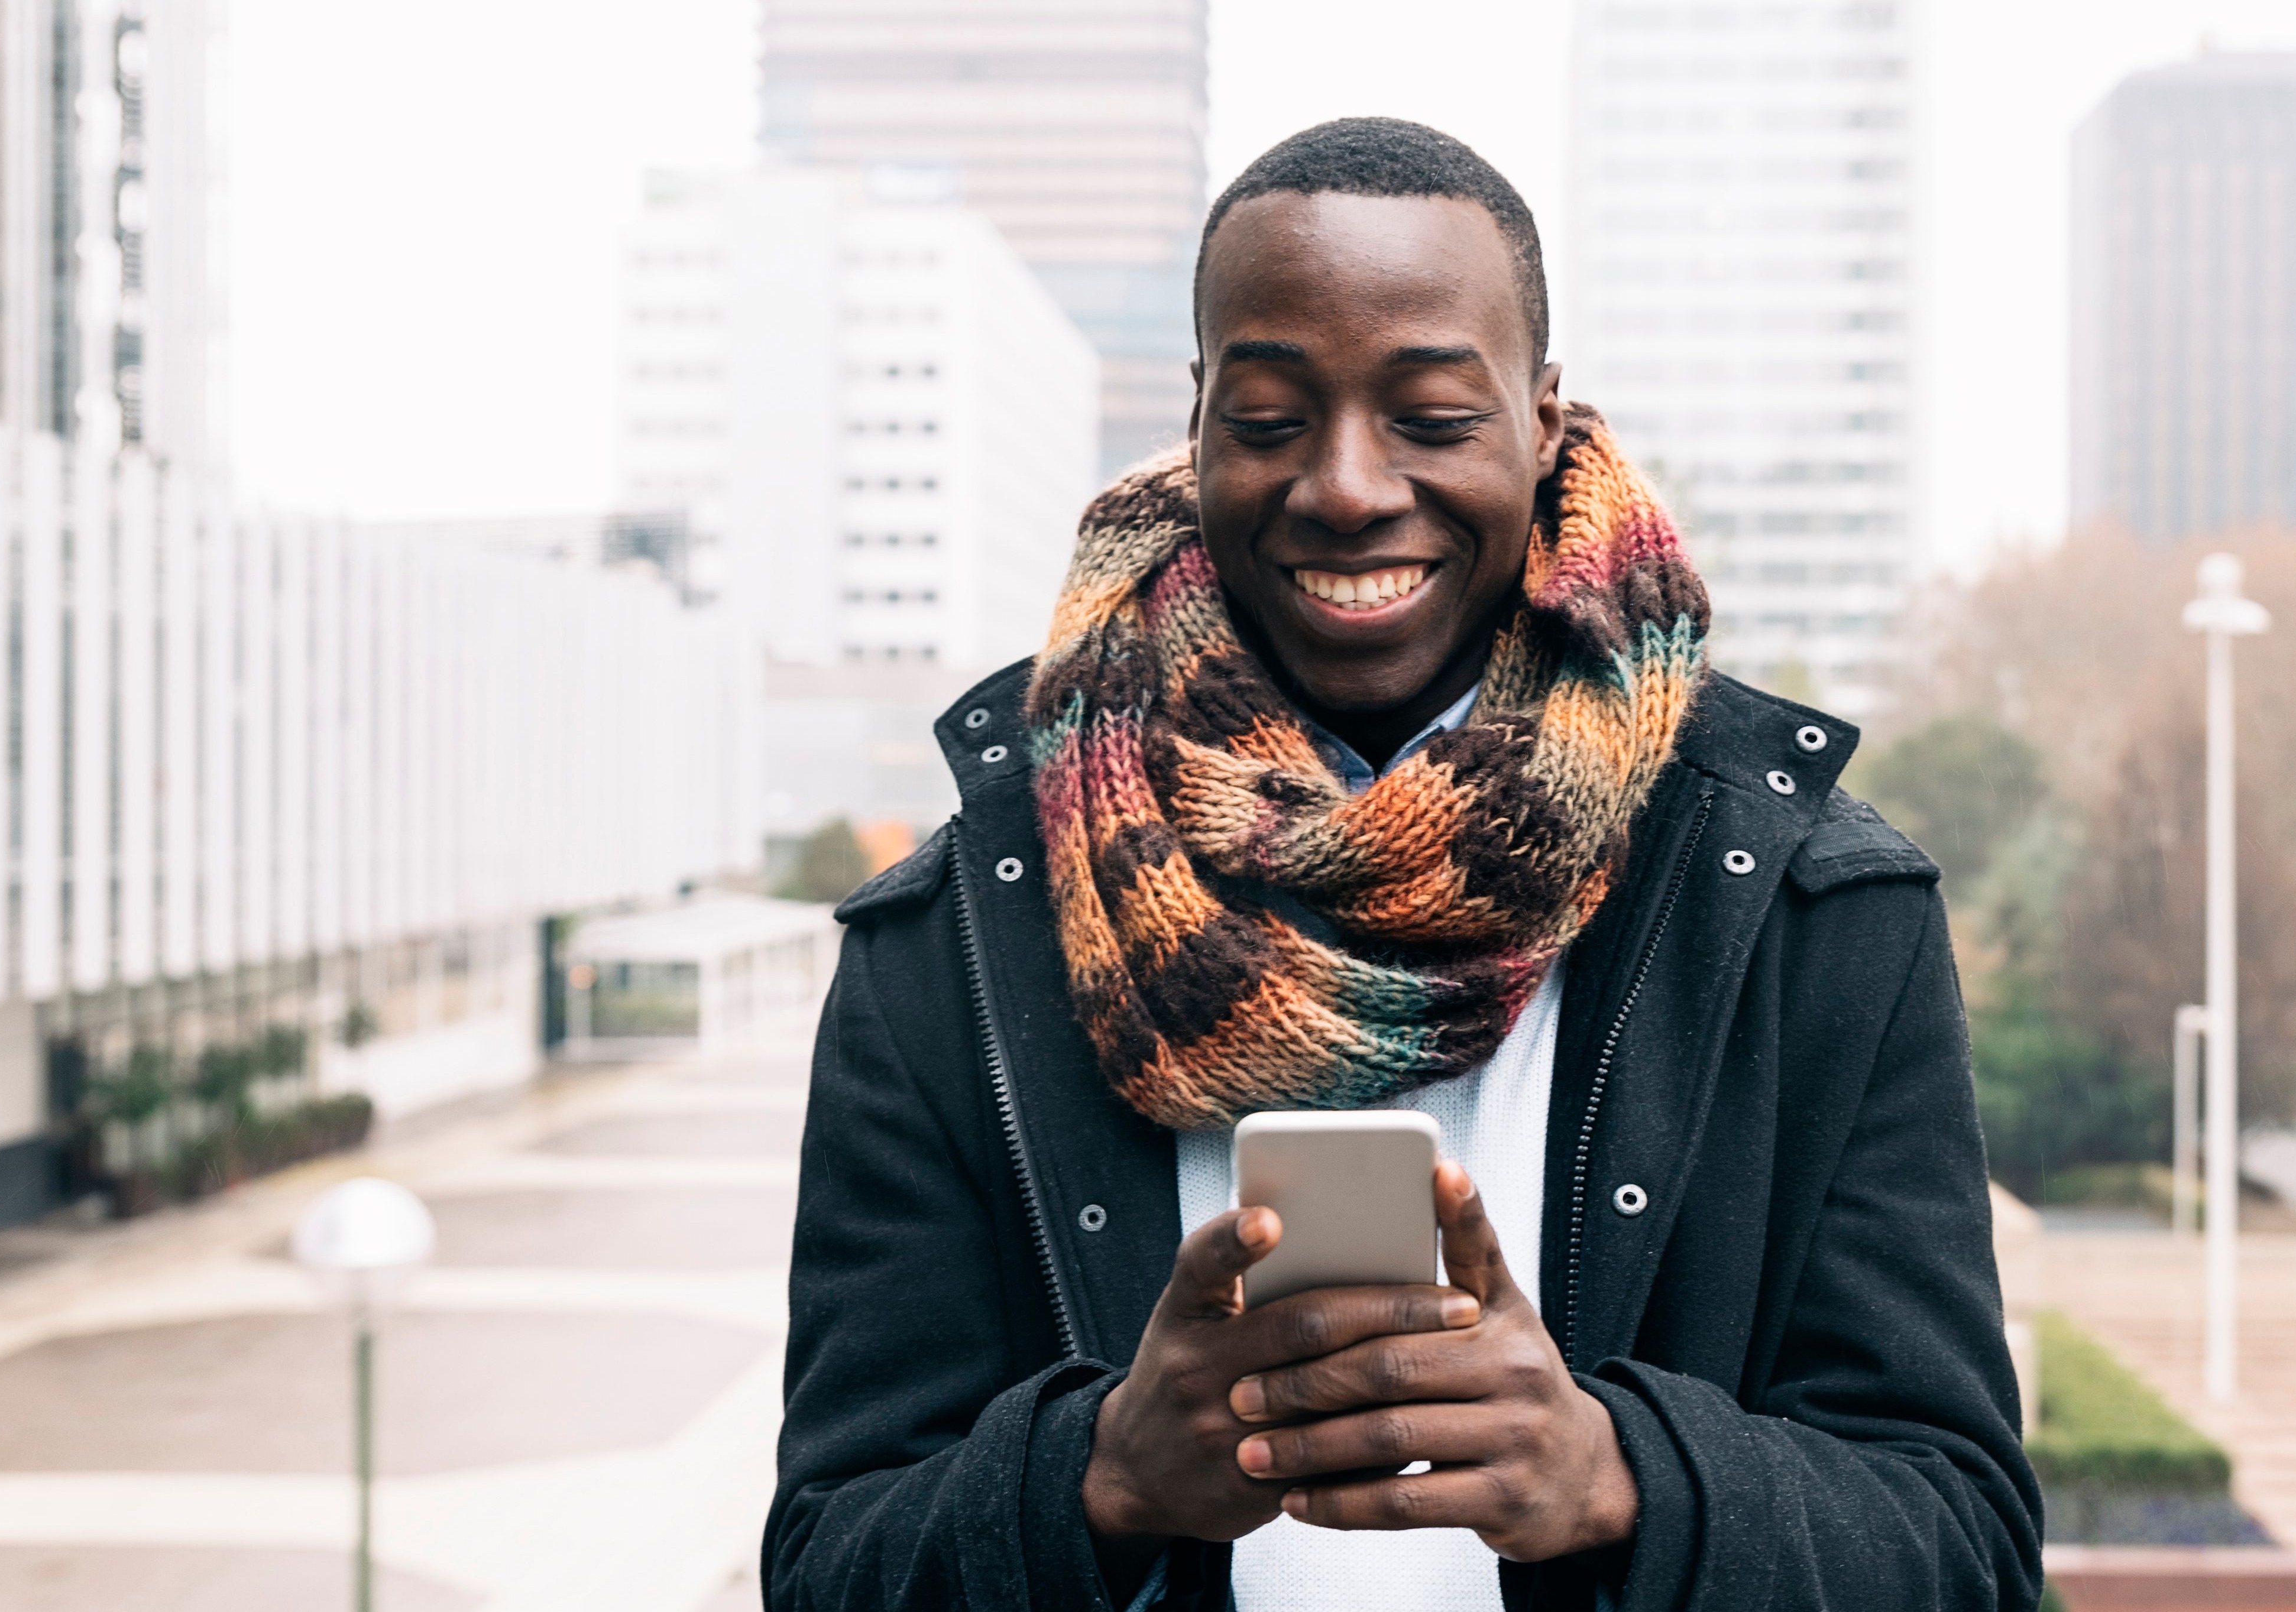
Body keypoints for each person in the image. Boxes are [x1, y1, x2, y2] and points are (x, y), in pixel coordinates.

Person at [760, 118, 2040, 1611]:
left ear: (1544, 421)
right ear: (1195, 423)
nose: (1349, 486)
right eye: (1268, 415)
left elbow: (1959, 1547)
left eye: (1432, 416)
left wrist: (1615, 1475)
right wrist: (1101, 1480)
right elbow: (830, 1566)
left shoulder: (1810, 913)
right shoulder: (960, 943)